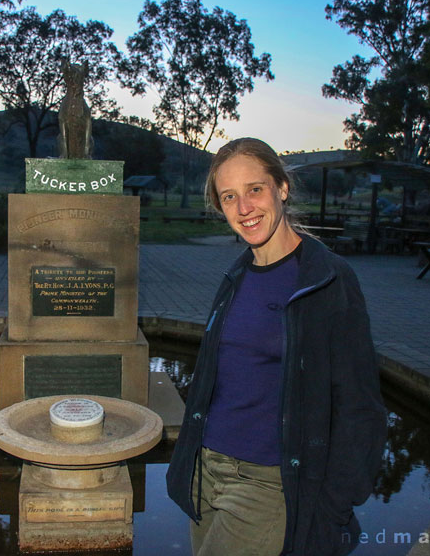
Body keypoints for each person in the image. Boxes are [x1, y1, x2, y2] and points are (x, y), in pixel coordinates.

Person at [166, 138, 387, 556]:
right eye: (229, 196)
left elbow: (361, 406)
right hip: (207, 472)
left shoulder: (327, 280)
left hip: (266, 483)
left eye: (255, 189)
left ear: (281, 188)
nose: (244, 208)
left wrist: (333, 504)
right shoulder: (237, 275)